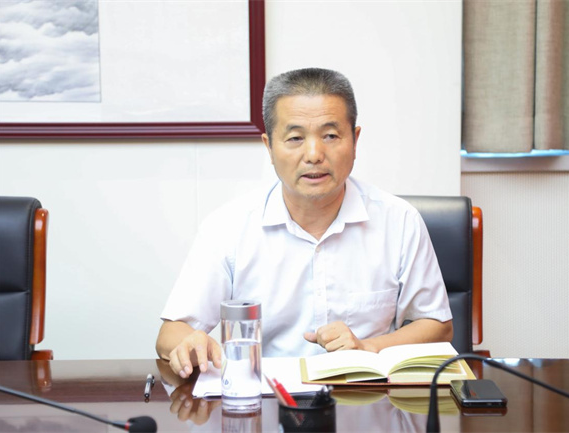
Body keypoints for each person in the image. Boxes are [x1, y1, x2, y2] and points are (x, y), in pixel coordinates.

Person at [156, 67, 453, 378]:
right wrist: (190, 343)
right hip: (268, 397)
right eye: (295, 138)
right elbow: (170, 334)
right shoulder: (227, 228)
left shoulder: (399, 221)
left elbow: (438, 325)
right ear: (269, 147)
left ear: (355, 141)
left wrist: (368, 347)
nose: (313, 154)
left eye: (330, 136)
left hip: (366, 395)